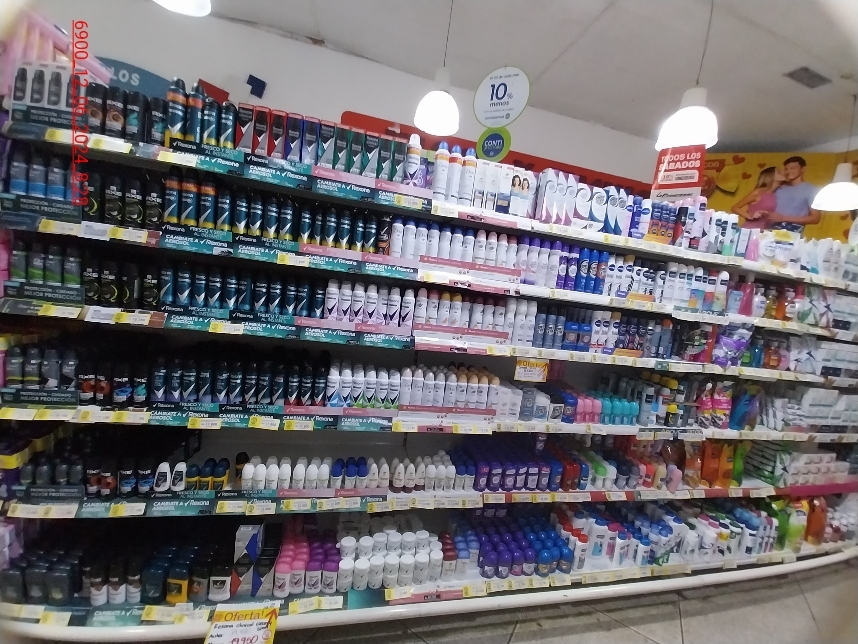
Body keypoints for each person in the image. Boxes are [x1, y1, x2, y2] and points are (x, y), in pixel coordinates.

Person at [765, 156, 820, 232]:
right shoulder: (779, 187)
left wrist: (783, 218)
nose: (788, 171)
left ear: (803, 169)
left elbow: (815, 218)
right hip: (768, 231)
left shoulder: (811, 190)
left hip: (791, 234)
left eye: (792, 168)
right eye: (786, 169)